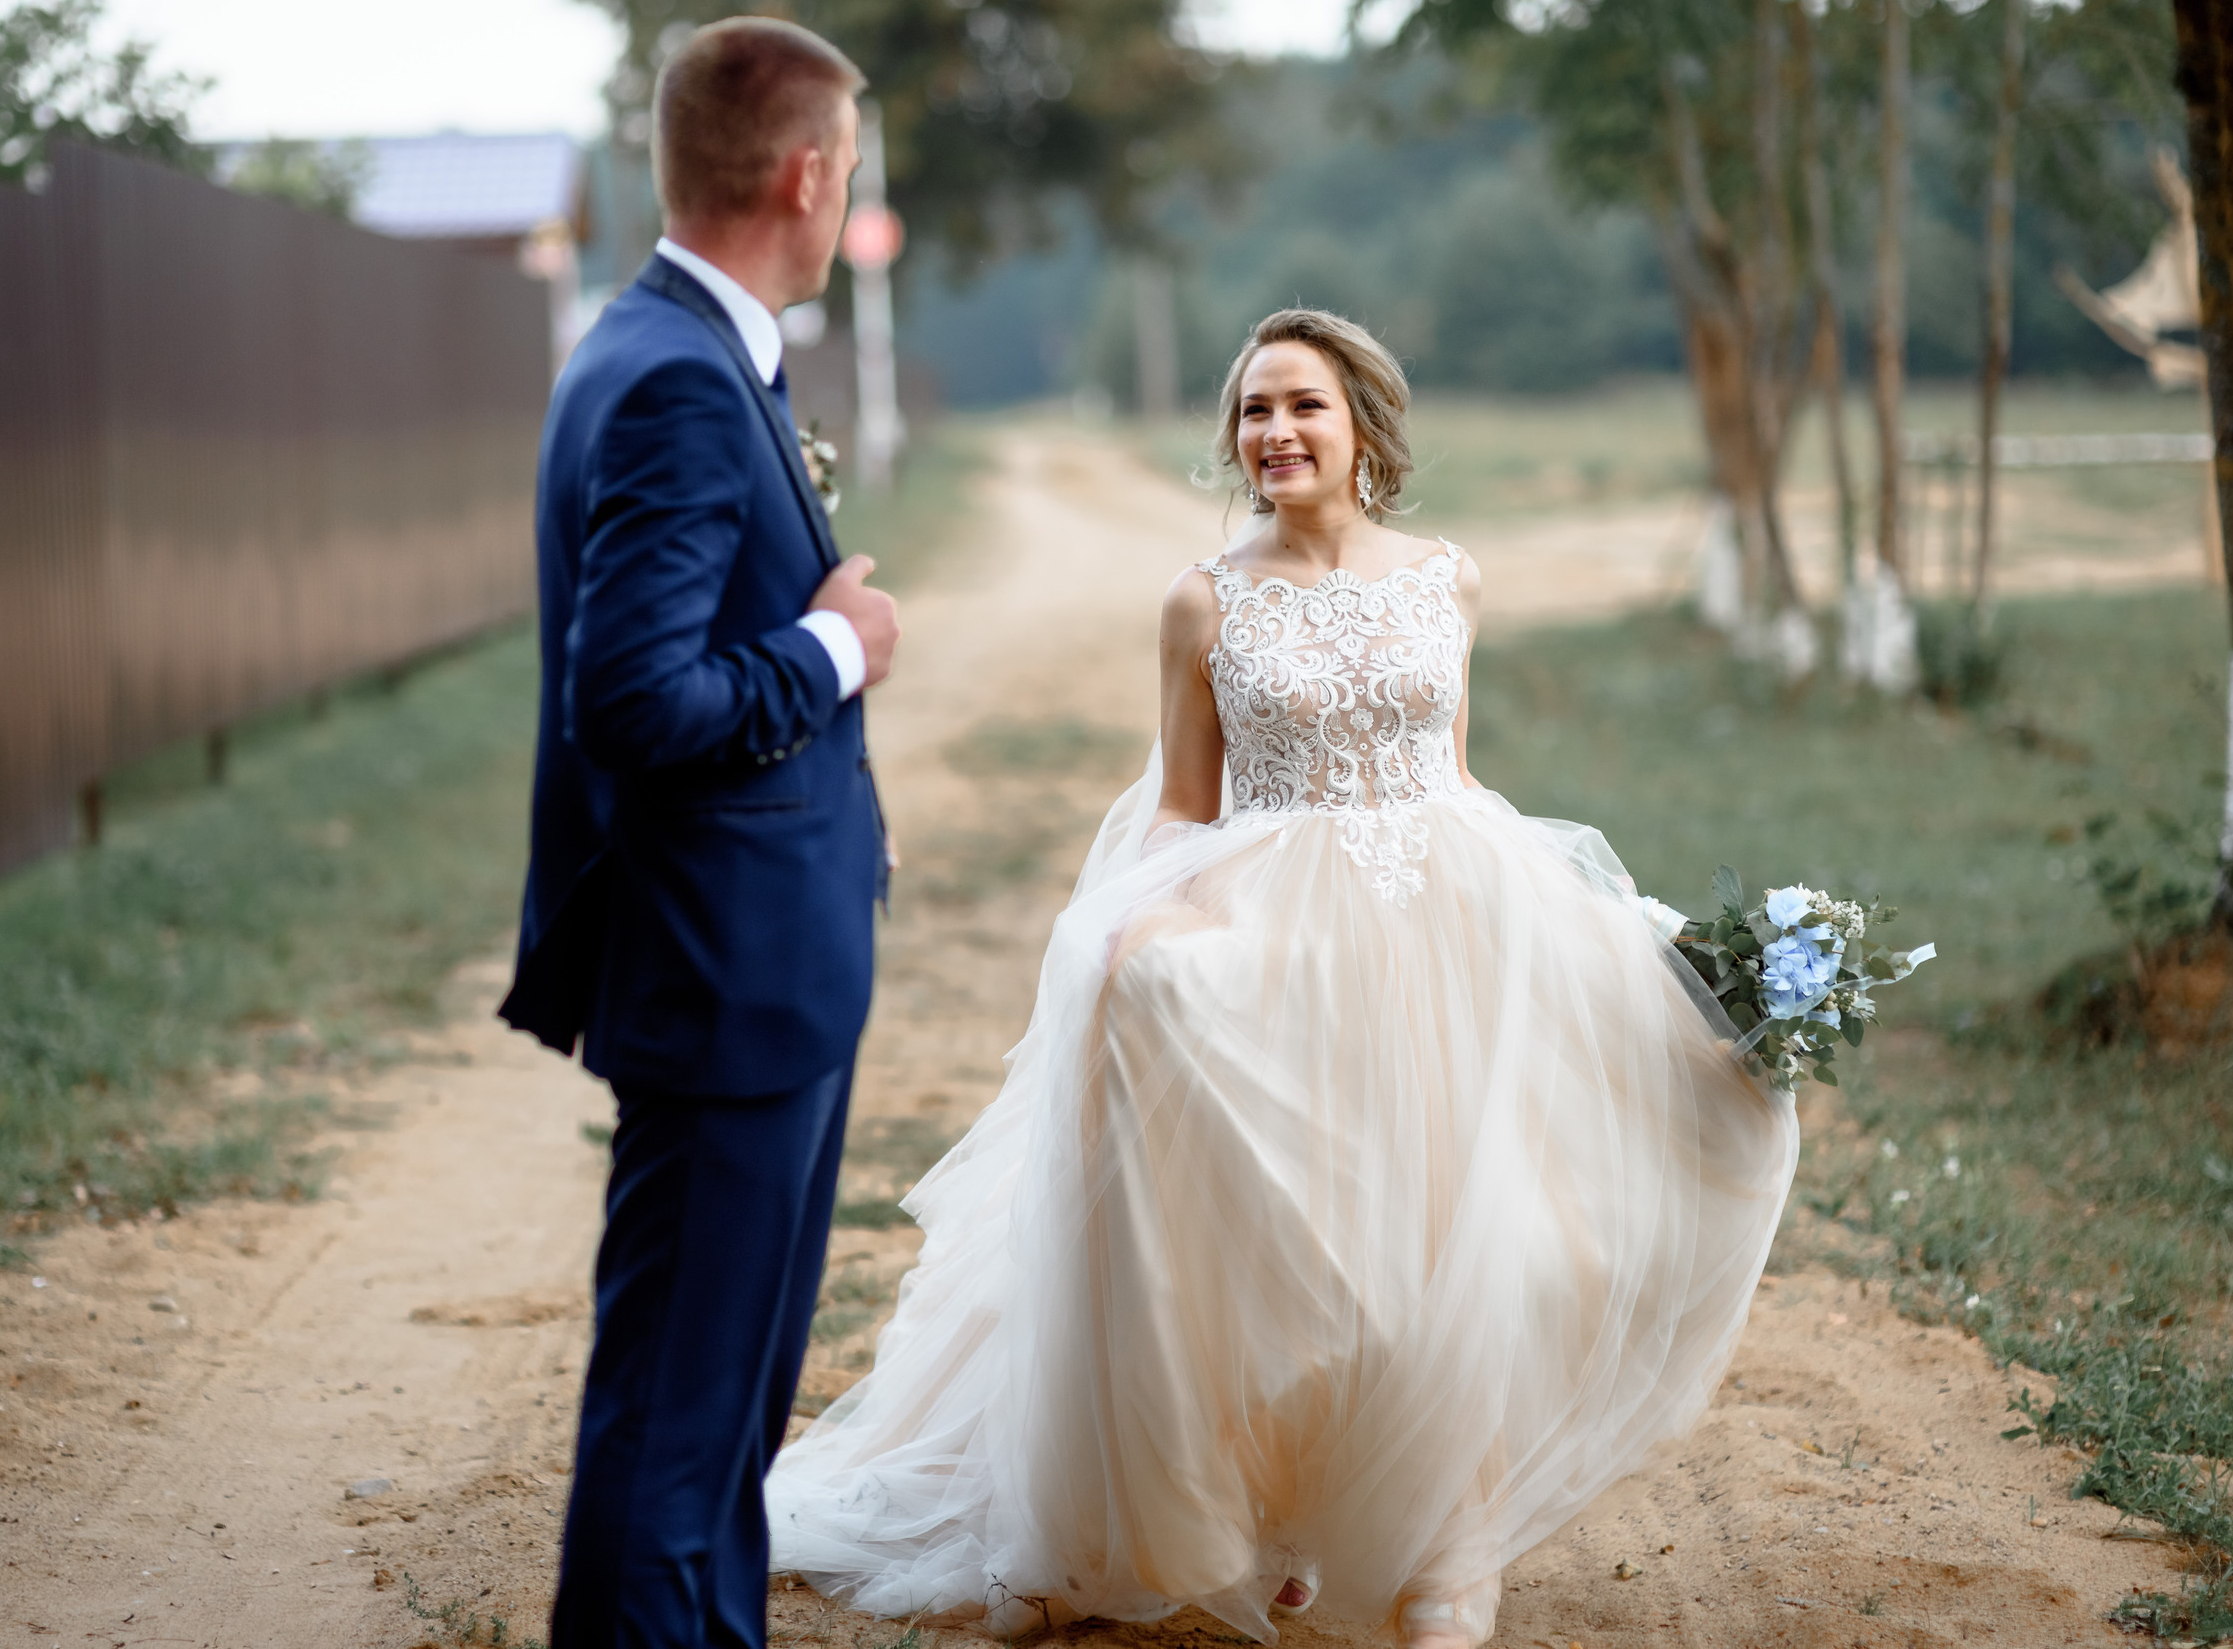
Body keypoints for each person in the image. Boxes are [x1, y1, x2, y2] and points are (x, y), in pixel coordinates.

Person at [764, 310, 1799, 1647]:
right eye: (1255, 409)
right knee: (1301, 1262)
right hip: (1279, 933)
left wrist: (1614, 927)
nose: (1277, 432)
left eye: (1304, 405)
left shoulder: (1449, 579)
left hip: (1442, 930)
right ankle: (1221, 1518)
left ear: (1363, 423)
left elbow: (1454, 773)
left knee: (1462, 1245)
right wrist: (1154, 917)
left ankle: (1449, 1552)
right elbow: (1184, 806)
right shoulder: (1203, 599)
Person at [497, 17, 898, 1649]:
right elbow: (634, 699)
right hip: (724, 973)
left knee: (726, 1418)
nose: (845, 192)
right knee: (677, 1418)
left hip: (761, 968)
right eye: (847, 166)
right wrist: (835, 647)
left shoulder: (680, 343)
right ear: (804, 175)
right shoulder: (672, 375)